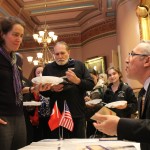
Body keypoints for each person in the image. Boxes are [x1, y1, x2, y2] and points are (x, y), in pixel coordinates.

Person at [0, 16, 51, 150]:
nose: (19, 39)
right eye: (15, 35)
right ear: (3, 34)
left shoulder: (17, 59)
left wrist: (34, 89)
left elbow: (17, 88)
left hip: (19, 114)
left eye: (21, 36)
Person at [93, 40, 150, 150]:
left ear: (147, 61)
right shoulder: (143, 91)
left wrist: (119, 126)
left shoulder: (127, 88)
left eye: (132, 54)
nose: (126, 60)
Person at [41, 41, 95, 138]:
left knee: (78, 145)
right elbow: (42, 91)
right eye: (57, 54)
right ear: (54, 55)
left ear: (68, 52)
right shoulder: (48, 68)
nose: (60, 56)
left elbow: (91, 85)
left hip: (77, 113)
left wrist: (77, 80)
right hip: (56, 114)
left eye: (62, 53)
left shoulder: (79, 65)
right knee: (58, 145)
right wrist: (52, 88)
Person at [28, 65, 51, 141]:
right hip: (36, 117)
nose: (41, 74)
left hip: (49, 116)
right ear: (34, 74)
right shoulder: (30, 86)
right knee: (38, 138)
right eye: (38, 72)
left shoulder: (50, 85)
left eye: (42, 72)